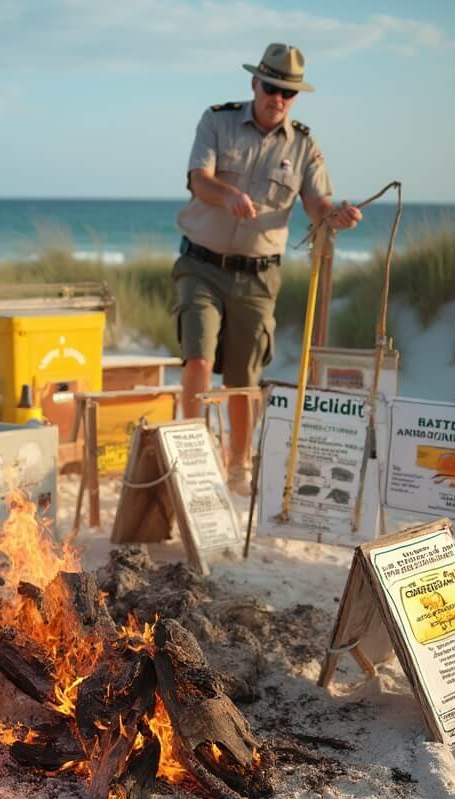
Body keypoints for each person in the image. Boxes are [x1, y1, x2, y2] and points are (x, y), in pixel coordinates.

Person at [173, 42, 362, 495]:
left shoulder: (305, 145)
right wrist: (229, 196)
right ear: (255, 82)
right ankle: (191, 456)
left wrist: (335, 215)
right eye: (271, 86)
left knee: (243, 379)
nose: (278, 98)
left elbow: (318, 204)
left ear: (295, 97)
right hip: (201, 264)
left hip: (259, 277)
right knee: (198, 356)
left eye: (288, 92)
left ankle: (238, 465)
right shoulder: (216, 120)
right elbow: (199, 179)